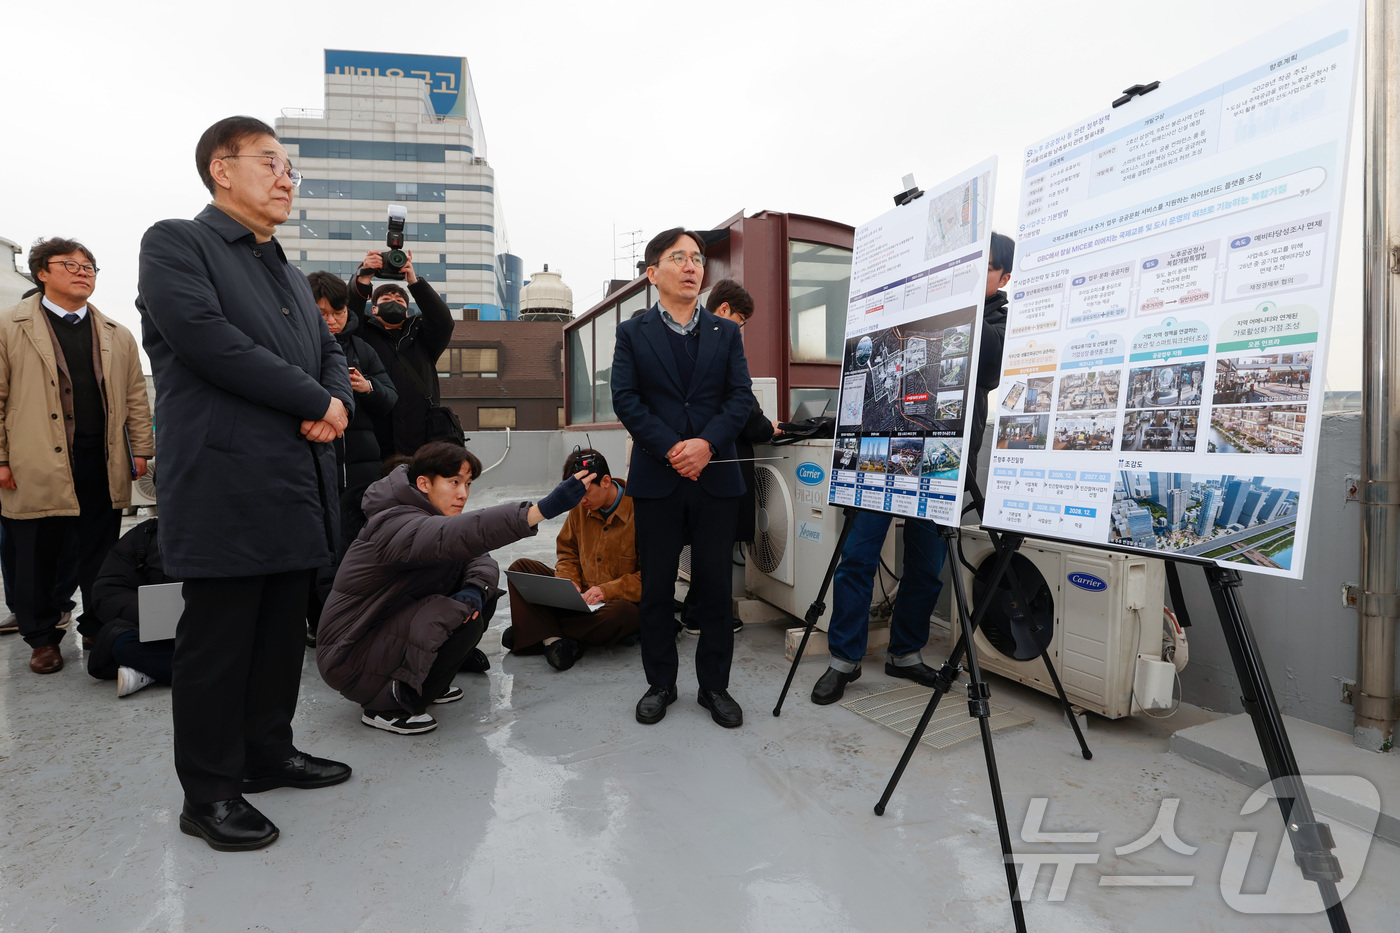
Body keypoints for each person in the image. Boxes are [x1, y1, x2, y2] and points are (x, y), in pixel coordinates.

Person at [137, 115, 355, 852]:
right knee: (219, 640)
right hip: (225, 479)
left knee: (276, 636)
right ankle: (209, 792)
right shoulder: (176, 243)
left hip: (296, 481)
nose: (287, 176)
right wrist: (315, 402)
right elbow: (208, 341)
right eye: (271, 161)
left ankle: (268, 752)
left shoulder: (289, 272)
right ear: (221, 170)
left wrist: (341, 404)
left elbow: (330, 350)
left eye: (290, 166)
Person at [811, 232, 1014, 706]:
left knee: (927, 565)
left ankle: (905, 652)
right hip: (882, 455)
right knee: (859, 556)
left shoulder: (1001, 319)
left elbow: (987, 366)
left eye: (981, 269)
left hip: (943, 460)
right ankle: (843, 659)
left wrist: (952, 302)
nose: (969, 276)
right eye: (964, 266)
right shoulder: (920, 305)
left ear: (1003, 277)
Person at [316, 443, 593, 734]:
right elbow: (457, 535)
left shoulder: (430, 517)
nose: (463, 494)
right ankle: (387, 706)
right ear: (424, 483)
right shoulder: (393, 522)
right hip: (350, 652)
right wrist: (540, 511)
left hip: (381, 634)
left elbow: (480, 558)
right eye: (454, 482)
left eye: (468, 484)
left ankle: (420, 682)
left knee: (478, 600)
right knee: (452, 613)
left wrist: (473, 589)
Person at [611, 227, 756, 729]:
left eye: (697, 258)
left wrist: (707, 445)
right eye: (680, 258)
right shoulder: (633, 333)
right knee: (656, 589)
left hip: (715, 478)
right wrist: (673, 448)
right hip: (658, 476)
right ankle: (661, 683)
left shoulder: (726, 333)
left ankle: (714, 687)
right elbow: (626, 399)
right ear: (654, 274)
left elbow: (740, 398)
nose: (693, 266)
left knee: (716, 589)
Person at [0, 237, 154, 675]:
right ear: (41, 273)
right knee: (34, 554)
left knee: (100, 552)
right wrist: (1, 458)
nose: (83, 271)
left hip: (99, 459)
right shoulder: (9, 325)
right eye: (69, 264)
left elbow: (135, 397)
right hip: (33, 461)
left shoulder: (116, 334)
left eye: (89, 266)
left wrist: (141, 447)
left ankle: (95, 627)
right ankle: (42, 638)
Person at [679, 278, 778, 635]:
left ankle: (698, 610)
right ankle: (705, 615)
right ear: (723, 311)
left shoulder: (688, 341)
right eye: (742, 320)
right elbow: (744, 409)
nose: (742, 329)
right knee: (716, 546)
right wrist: (768, 428)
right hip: (721, 462)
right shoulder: (720, 345)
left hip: (699, 462)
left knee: (709, 543)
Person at [304, 271, 398, 640]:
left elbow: (391, 400)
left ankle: (355, 619)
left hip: (362, 467)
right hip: (313, 464)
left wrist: (367, 386)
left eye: (337, 312)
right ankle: (318, 623)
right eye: (322, 312)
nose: (331, 320)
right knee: (318, 548)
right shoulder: (295, 346)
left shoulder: (363, 348)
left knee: (360, 545)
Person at [503, 448, 641, 671]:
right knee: (520, 568)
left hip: (617, 603)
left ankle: (537, 631)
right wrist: (569, 581)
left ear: (606, 481)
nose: (581, 500)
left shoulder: (641, 511)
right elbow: (567, 554)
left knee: (620, 616)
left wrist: (608, 590)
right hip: (580, 602)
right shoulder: (579, 506)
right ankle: (553, 638)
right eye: (576, 493)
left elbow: (652, 576)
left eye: (585, 492)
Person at [349, 251, 455, 458]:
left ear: (407, 311)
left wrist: (414, 283)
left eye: (399, 299)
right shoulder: (361, 334)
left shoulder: (423, 337)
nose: (393, 301)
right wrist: (363, 277)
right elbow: (349, 314)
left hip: (422, 437)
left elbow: (443, 321)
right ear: (375, 309)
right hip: (375, 436)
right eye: (386, 298)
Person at [86, 516, 175, 698]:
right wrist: (153, 613)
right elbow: (108, 592)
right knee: (122, 644)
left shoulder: (232, 532)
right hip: (163, 633)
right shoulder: (145, 535)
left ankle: (151, 672)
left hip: (219, 631)